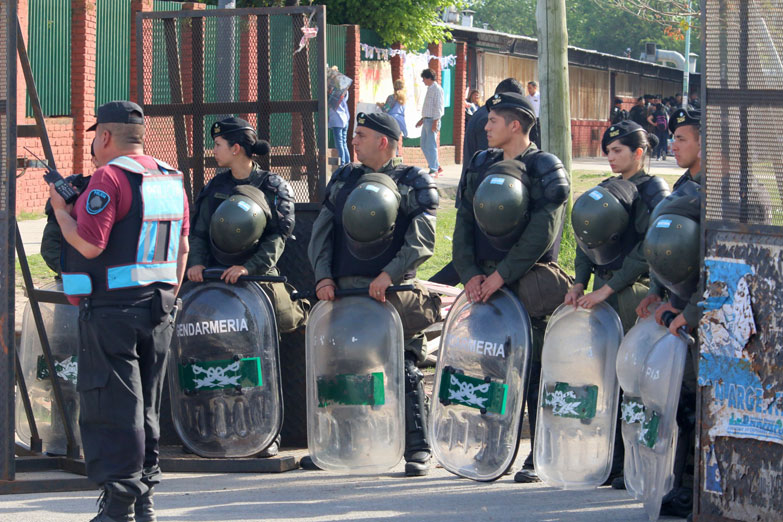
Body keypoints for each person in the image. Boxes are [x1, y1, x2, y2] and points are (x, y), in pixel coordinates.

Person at [51, 100, 190, 522]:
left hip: (112, 312)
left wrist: (61, 211)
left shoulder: (107, 178)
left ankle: (118, 506)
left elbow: (90, 244)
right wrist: (168, 296)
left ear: (106, 137)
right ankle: (143, 499)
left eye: (95, 136)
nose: (94, 144)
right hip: (158, 308)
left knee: (114, 407)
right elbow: (182, 248)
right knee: (146, 406)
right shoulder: (170, 177)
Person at [306, 112, 441, 476]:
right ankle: (341, 444)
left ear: (384, 141)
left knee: (404, 366)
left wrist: (388, 274)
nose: (354, 141)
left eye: (361, 135)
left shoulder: (413, 181)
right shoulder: (345, 178)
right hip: (344, 290)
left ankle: (418, 448)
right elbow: (322, 232)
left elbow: (421, 240)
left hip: (390, 292)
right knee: (340, 367)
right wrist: (322, 277)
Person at [452, 93, 572, 484]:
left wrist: (501, 276)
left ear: (515, 125)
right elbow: (464, 224)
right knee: (489, 371)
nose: (485, 127)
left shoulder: (544, 168)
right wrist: (469, 272)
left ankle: (539, 454)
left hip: (525, 284)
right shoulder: (480, 164)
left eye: (492, 121)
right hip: (483, 284)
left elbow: (542, 234)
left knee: (534, 371)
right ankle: (493, 446)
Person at [186, 117, 307, 336]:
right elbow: (200, 232)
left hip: (257, 278)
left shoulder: (272, 186)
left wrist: (248, 268)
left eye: (218, 145)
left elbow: (277, 238)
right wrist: (196, 264)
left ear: (236, 149)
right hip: (217, 278)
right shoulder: (215, 186)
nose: (213, 150)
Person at [565, 121, 669, 332]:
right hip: (600, 290)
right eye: (608, 151)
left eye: (617, 150)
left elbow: (648, 249)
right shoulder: (607, 188)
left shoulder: (652, 191)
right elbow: (586, 239)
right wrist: (579, 283)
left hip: (632, 293)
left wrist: (608, 290)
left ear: (637, 152)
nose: (610, 157)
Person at [427, 78, 527, 287]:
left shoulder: (483, 114)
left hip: (481, 195)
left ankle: (433, 290)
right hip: (488, 196)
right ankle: (433, 291)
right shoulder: (493, 122)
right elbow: (493, 162)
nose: (489, 127)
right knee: (477, 256)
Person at [416, 68, 444, 176]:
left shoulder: (437, 89)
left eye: (423, 78)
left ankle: (433, 169)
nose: (423, 81)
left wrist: (435, 122)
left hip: (433, 120)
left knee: (431, 145)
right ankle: (437, 165)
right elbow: (429, 107)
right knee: (423, 145)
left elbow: (438, 107)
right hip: (426, 120)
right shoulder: (429, 89)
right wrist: (422, 120)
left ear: (428, 78)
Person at [377, 79, 408, 144]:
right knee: (396, 139)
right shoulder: (404, 98)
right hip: (400, 120)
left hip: (391, 119)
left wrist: (380, 105)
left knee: (390, 139)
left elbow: (385, 110)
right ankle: (396, 152)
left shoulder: (392, 97)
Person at [329, 88, 351, 166]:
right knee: (343, 143)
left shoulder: (334, 94)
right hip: (345, 119)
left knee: (339, 143)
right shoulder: (345, 93)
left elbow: (329, 102)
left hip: (337, 121)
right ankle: (348, 163)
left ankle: (342, 163)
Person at [526, 81, 541, 149]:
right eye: (528, 88)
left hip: (539, 119)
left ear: (535, 88)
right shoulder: (527, 98)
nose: (528, 90)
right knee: (531, 136)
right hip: (530, 119)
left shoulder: (540, 97)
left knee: (539, 137)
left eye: (530, 88)